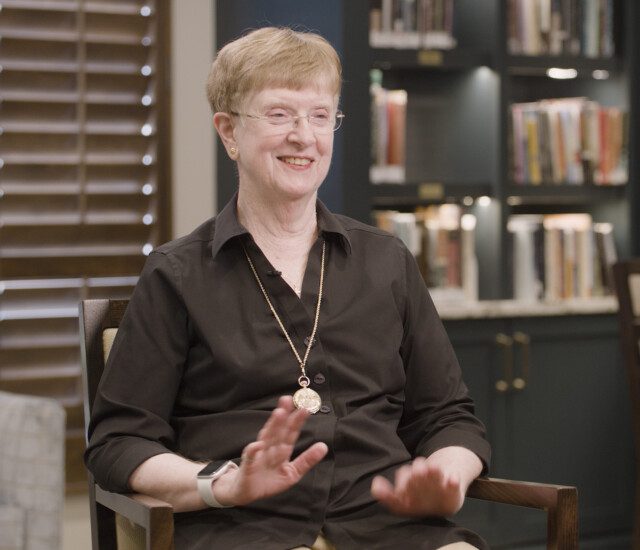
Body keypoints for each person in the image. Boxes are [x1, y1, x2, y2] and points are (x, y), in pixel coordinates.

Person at [85, 27, 491, 550]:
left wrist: (448, 479)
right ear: (228, 132)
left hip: (389, 525)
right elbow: (119, 441)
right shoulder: (175, 275)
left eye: (320, 116)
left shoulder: (386, 261)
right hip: (243, 528)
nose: (305, 136)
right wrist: (222, 483)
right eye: (279, 115)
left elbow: (448, 416)